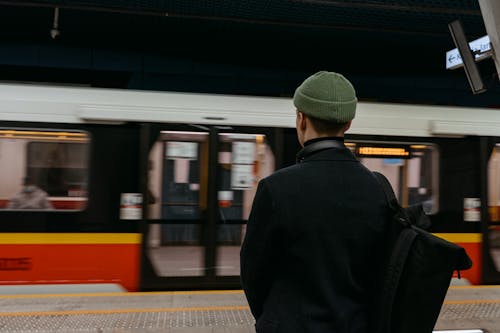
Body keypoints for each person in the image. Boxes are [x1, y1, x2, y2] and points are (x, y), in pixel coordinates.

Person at [240, 71, 390, 333]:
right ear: (349, 123)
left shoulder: (275, 188)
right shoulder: (378, 188)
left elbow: (253, 272)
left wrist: (273, 316)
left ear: (301, 119)